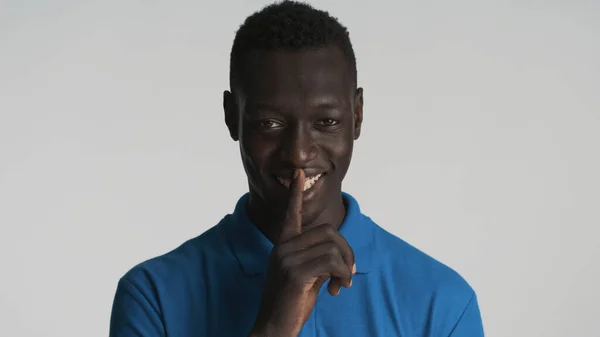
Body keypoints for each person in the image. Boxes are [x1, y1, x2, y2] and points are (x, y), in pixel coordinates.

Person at [109, 1, 485, 336]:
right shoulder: (153, 296)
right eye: (270, 124)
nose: (299, 154)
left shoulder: (442, 302)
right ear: (231, 117)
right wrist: (275, 326)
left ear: (357, 115)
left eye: (327, 122)